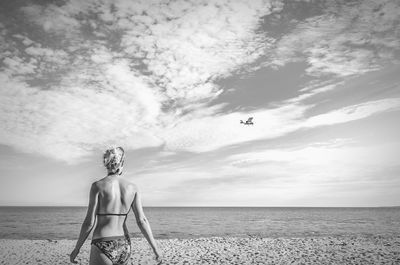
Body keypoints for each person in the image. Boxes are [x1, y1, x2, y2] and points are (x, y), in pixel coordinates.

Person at [70, 147, 162, 265]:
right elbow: (142, 220)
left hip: (102, 243)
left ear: (106, 163)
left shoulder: (97, 186)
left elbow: (89, 223)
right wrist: (155, 248)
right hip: (124, 244)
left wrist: (77, 249)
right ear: (121, 163)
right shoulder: (132, 188)